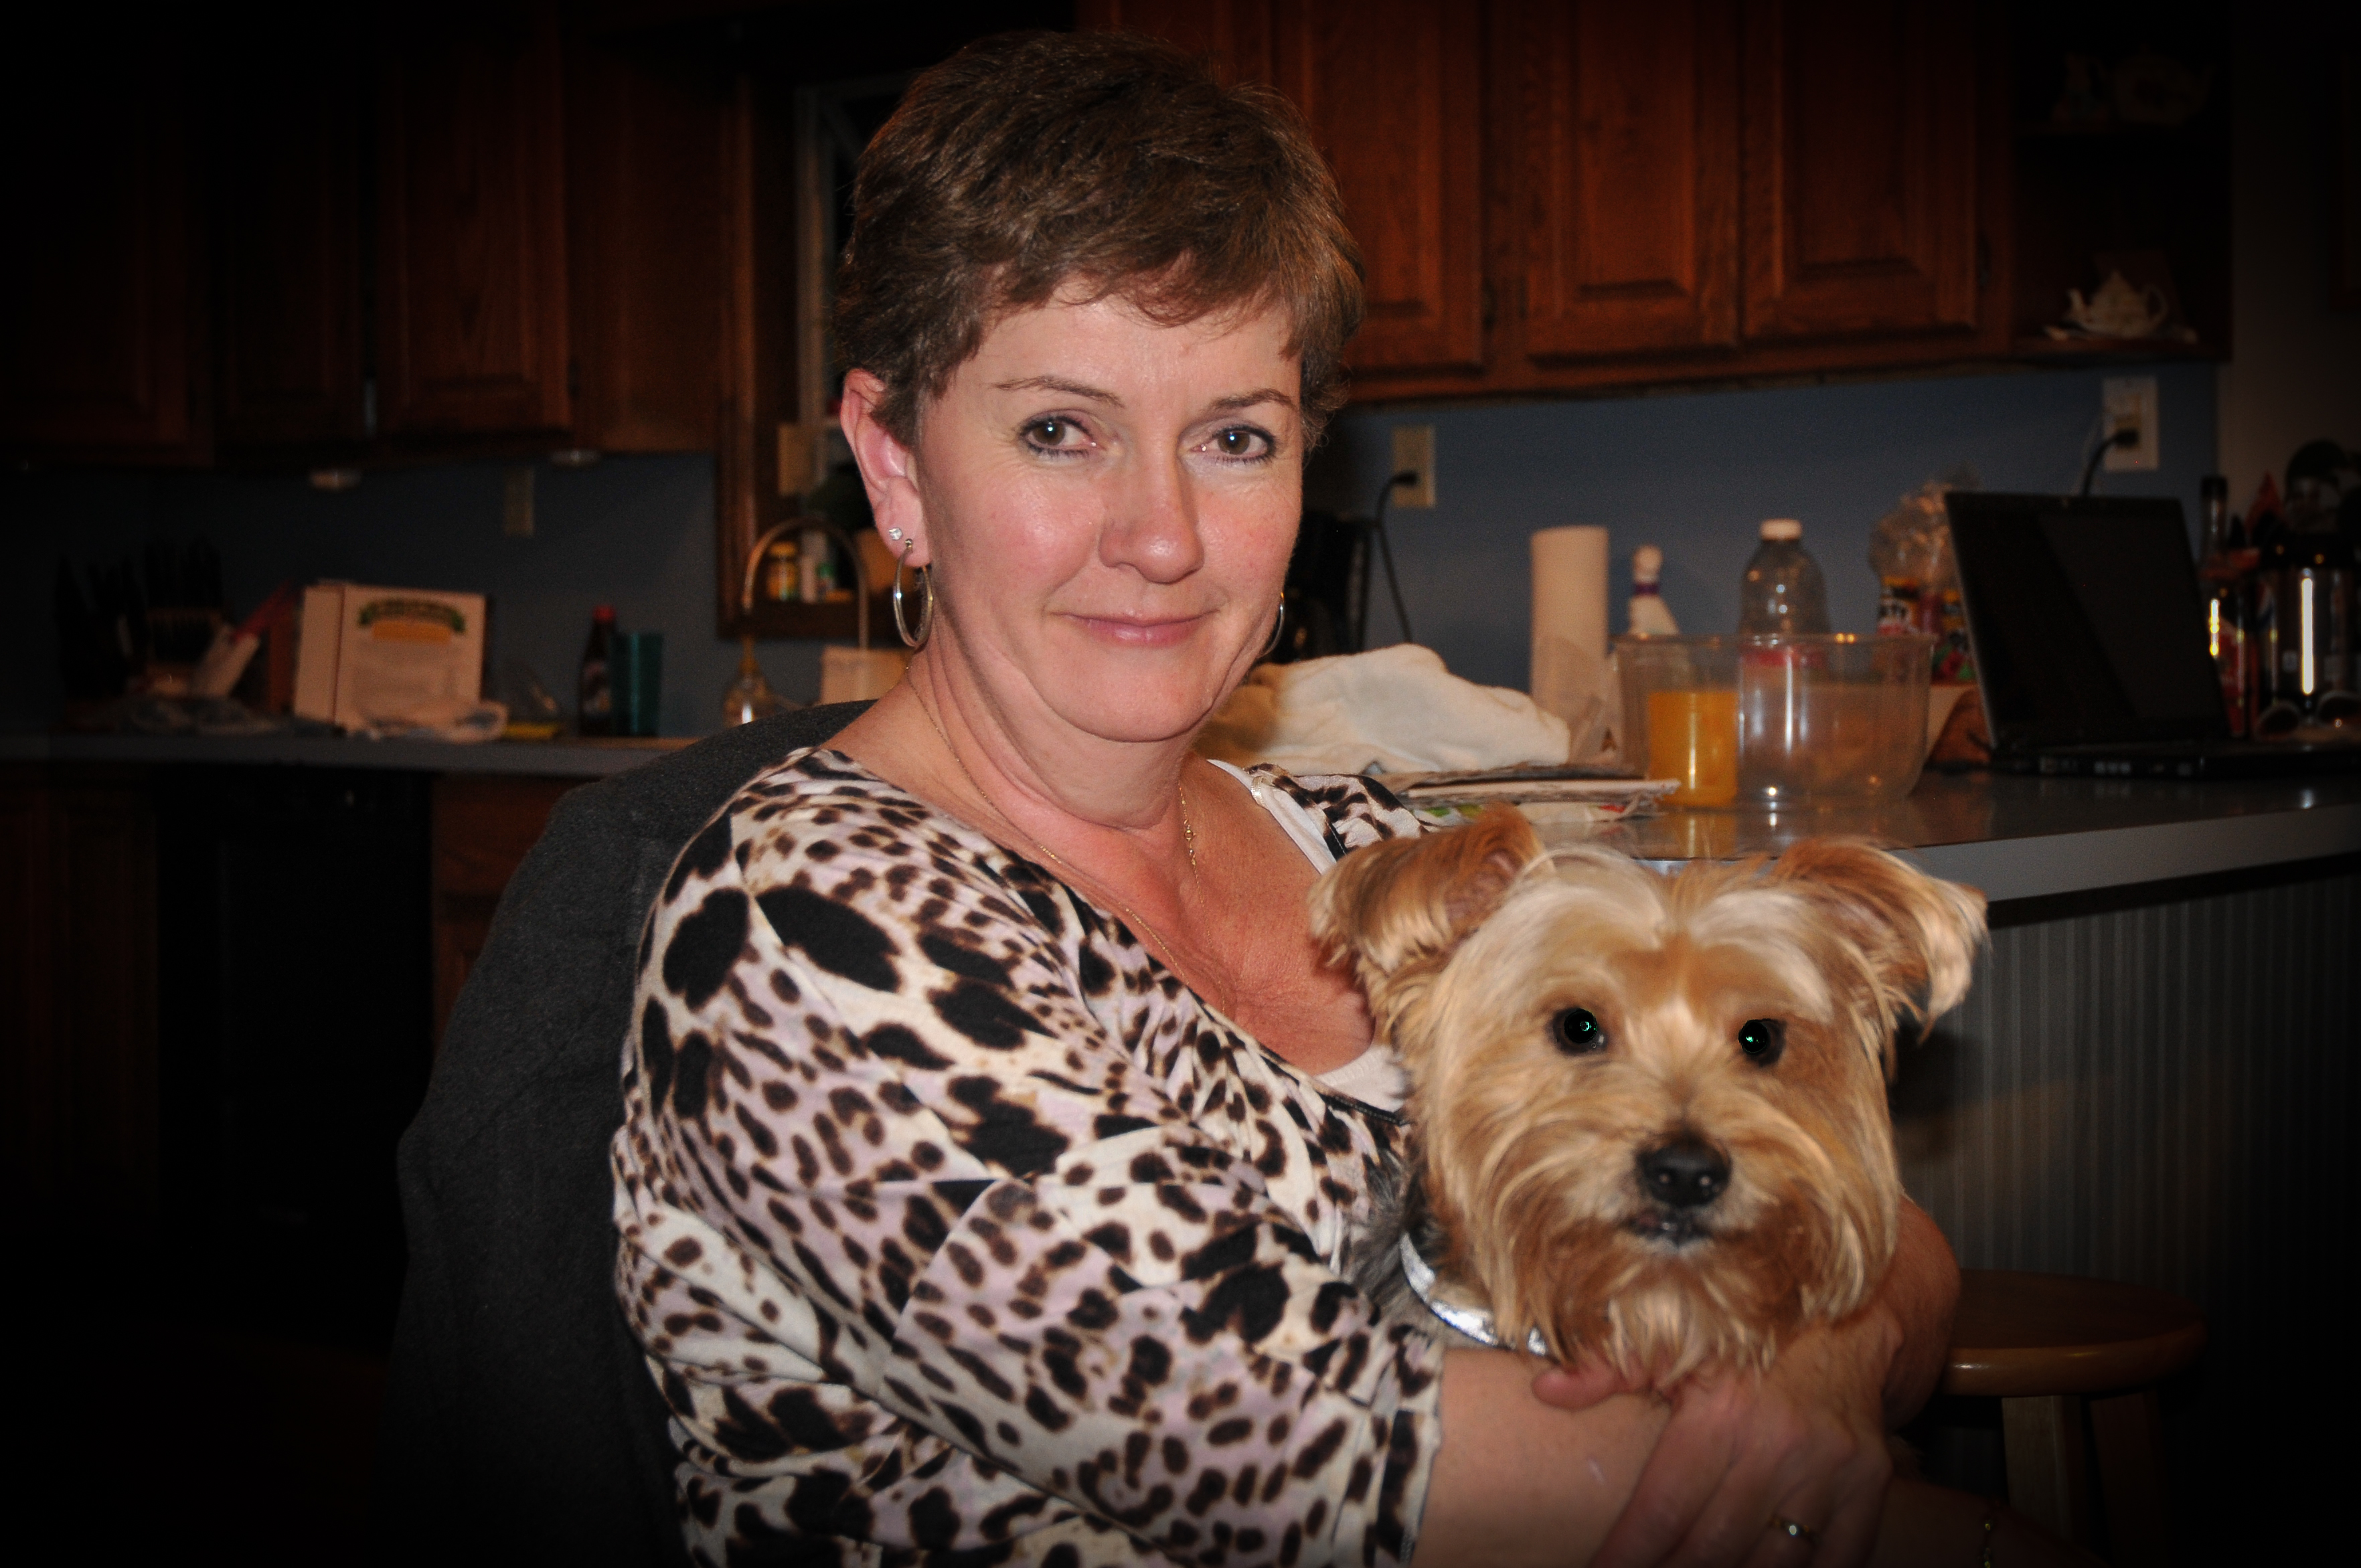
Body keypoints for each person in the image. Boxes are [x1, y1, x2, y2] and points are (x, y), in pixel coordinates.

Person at [610, 31, 2070, 1567]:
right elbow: (1332, 1466)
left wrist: (1829, 1350)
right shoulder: (805, 934)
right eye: (1060, 430)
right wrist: (1822, 1428)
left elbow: (1889, 1240)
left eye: (1235, 437)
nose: (1165, 534)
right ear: (896, 463)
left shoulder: (1368, 836)